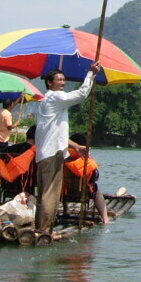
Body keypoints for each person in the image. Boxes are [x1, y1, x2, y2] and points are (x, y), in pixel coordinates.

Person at [34, 63, 101, 235]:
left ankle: (39, 226)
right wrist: (90, 74)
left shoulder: (45, 101)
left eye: (64, 79)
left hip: (44, 153)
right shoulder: (55, 98)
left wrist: (76, 146)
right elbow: (81, 95)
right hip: (51, 154)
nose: (63, 82)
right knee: (51, 194)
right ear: (50, 83)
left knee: (43, 193)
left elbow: (56, 131)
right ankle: (44, 231)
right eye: (59, 80)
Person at [65, 132, 109, 225]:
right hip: (83, 192)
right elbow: (95, 177)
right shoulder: (85, 160)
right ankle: (105, 219)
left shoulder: (62, 158)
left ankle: (66, 210)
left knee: (62, 185)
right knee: (96, 190)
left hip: (63, 192)